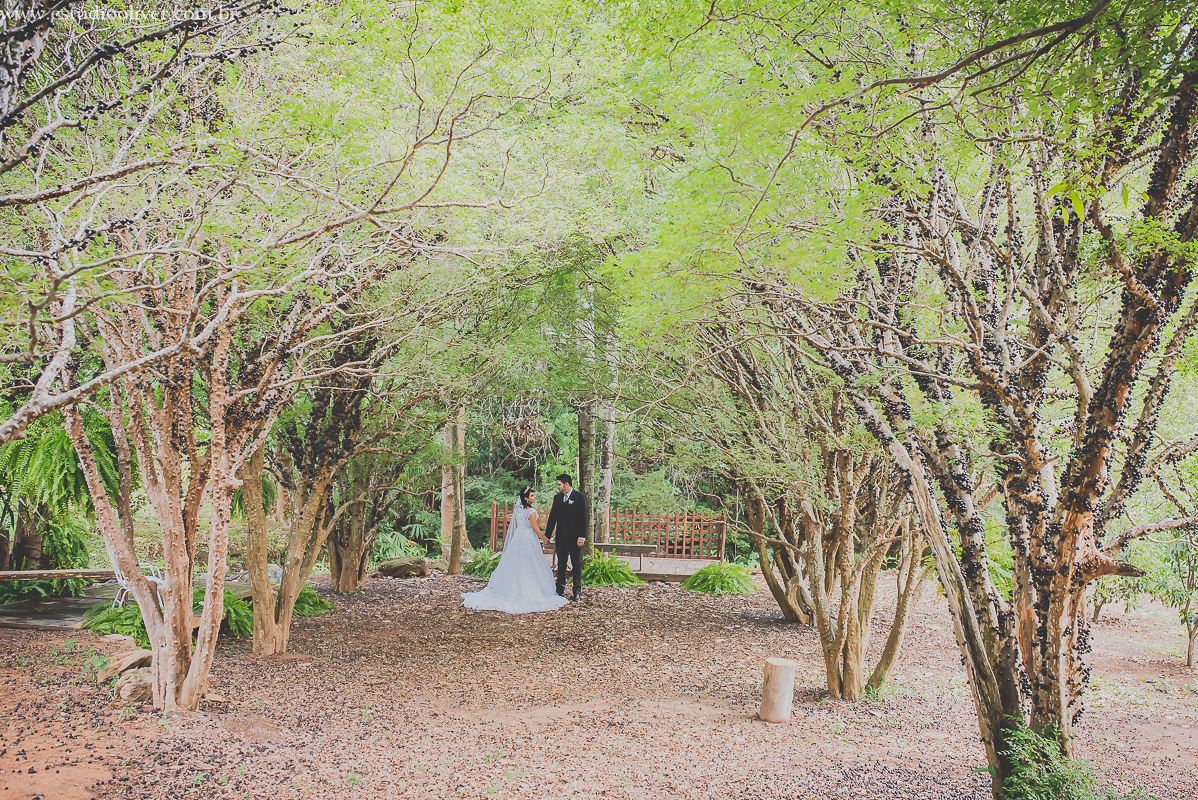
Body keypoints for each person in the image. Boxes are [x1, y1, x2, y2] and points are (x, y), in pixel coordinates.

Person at [462, 486, 568, 614]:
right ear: (526, 498)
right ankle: (530, 590)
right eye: (532, 495)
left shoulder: (518, 510)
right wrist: (545, 538)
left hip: (519, 537)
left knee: (517, 562)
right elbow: (535, 528)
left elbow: (518, 525)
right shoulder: (532, 512)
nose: (534, 497)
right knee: (530, 563)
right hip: (528, 538)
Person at [544, 473, 588, 602]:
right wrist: (547, 537)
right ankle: (559, 590)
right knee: (561, 564)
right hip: (561, 538)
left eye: (559, 484)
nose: (558, 487)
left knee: (576, 565)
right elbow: (553, 518)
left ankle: (577, 592)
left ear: (566, 484)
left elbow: (585, 518)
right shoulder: (557, 498)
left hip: (576, 539)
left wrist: (582, 536)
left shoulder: (580, 497)